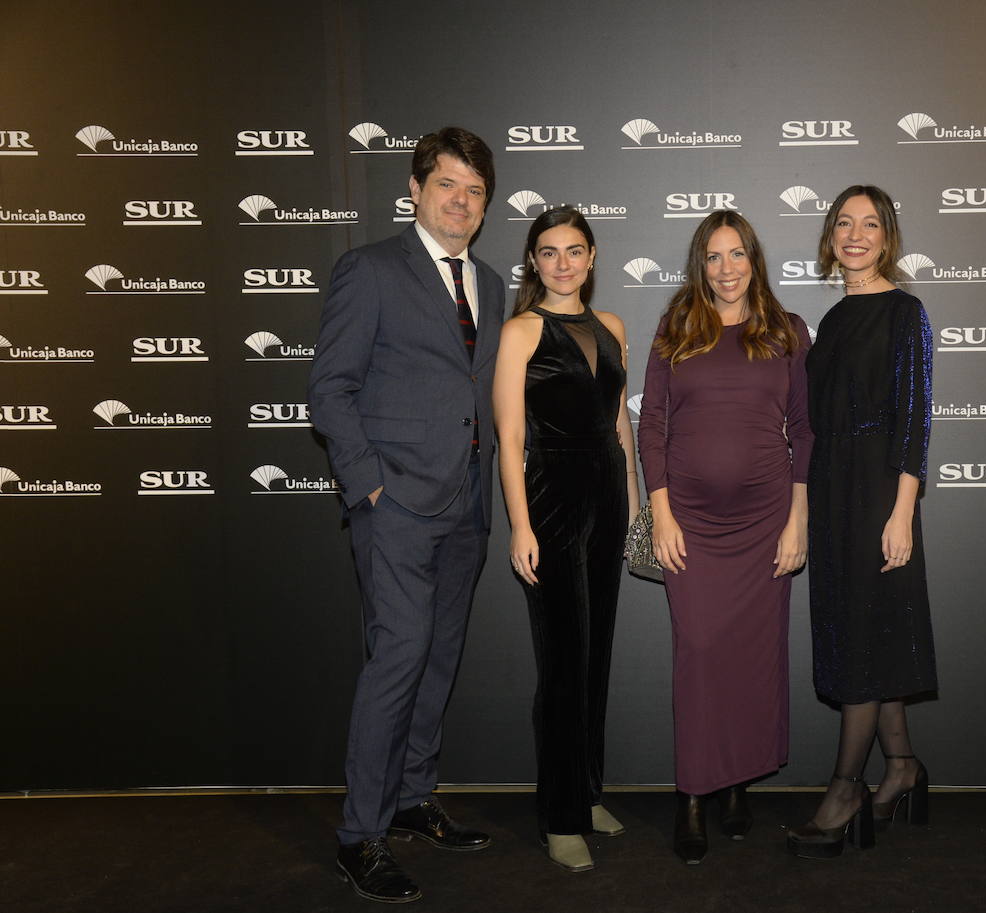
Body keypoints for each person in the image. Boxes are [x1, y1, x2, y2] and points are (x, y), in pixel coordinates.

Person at [308, 127, 504, 903]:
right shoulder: (370, 270)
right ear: (417, 189)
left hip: (467, 505)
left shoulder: (489, 279)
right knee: (399, 656)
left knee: (440, 657)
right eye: (448, 184)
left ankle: (414, 795)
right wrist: (371, 487)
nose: (461, 200)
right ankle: (360, 834)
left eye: (475, 190)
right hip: (396, 508)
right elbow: (329, 387)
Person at [638, 211, 813, 864]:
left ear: (754, 260)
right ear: (699, 265)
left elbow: (806, 427)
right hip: (692, 524)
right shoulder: (676, 327)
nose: (727, 268)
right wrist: (660, 511)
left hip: (766, 522)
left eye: (737, 254)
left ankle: (738, 782)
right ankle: (693, 793)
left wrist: (798, 518)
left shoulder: (787, 331)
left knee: (751, 657)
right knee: (700, 653)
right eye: (714, 257)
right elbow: (651, 422)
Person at [785, 185, 935, 859]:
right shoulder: (835, 319)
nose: (855, 234)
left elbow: (915, 420)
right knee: (862, 634)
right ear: (829, 236)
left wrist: (902, 511)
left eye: (869, 223)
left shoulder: (905, 312)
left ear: (888, 236)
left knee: (864, 642)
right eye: (843, 223)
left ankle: (845, 787)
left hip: (879, 493)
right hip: (833, 491)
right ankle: (901, 766)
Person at [493, 206, 639, 873]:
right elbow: (510, 438)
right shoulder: (521, 331)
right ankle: (559, 817)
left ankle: (586, 792)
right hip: (551, 497)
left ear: (592, 255)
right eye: (548, 252)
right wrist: (521, 524)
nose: (562, 263)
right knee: (562, 662)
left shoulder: (612, 327)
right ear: (534, 261)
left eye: (573, 250)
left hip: (607, 495)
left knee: (596, 654)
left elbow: (619, 426)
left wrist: (634, 502)